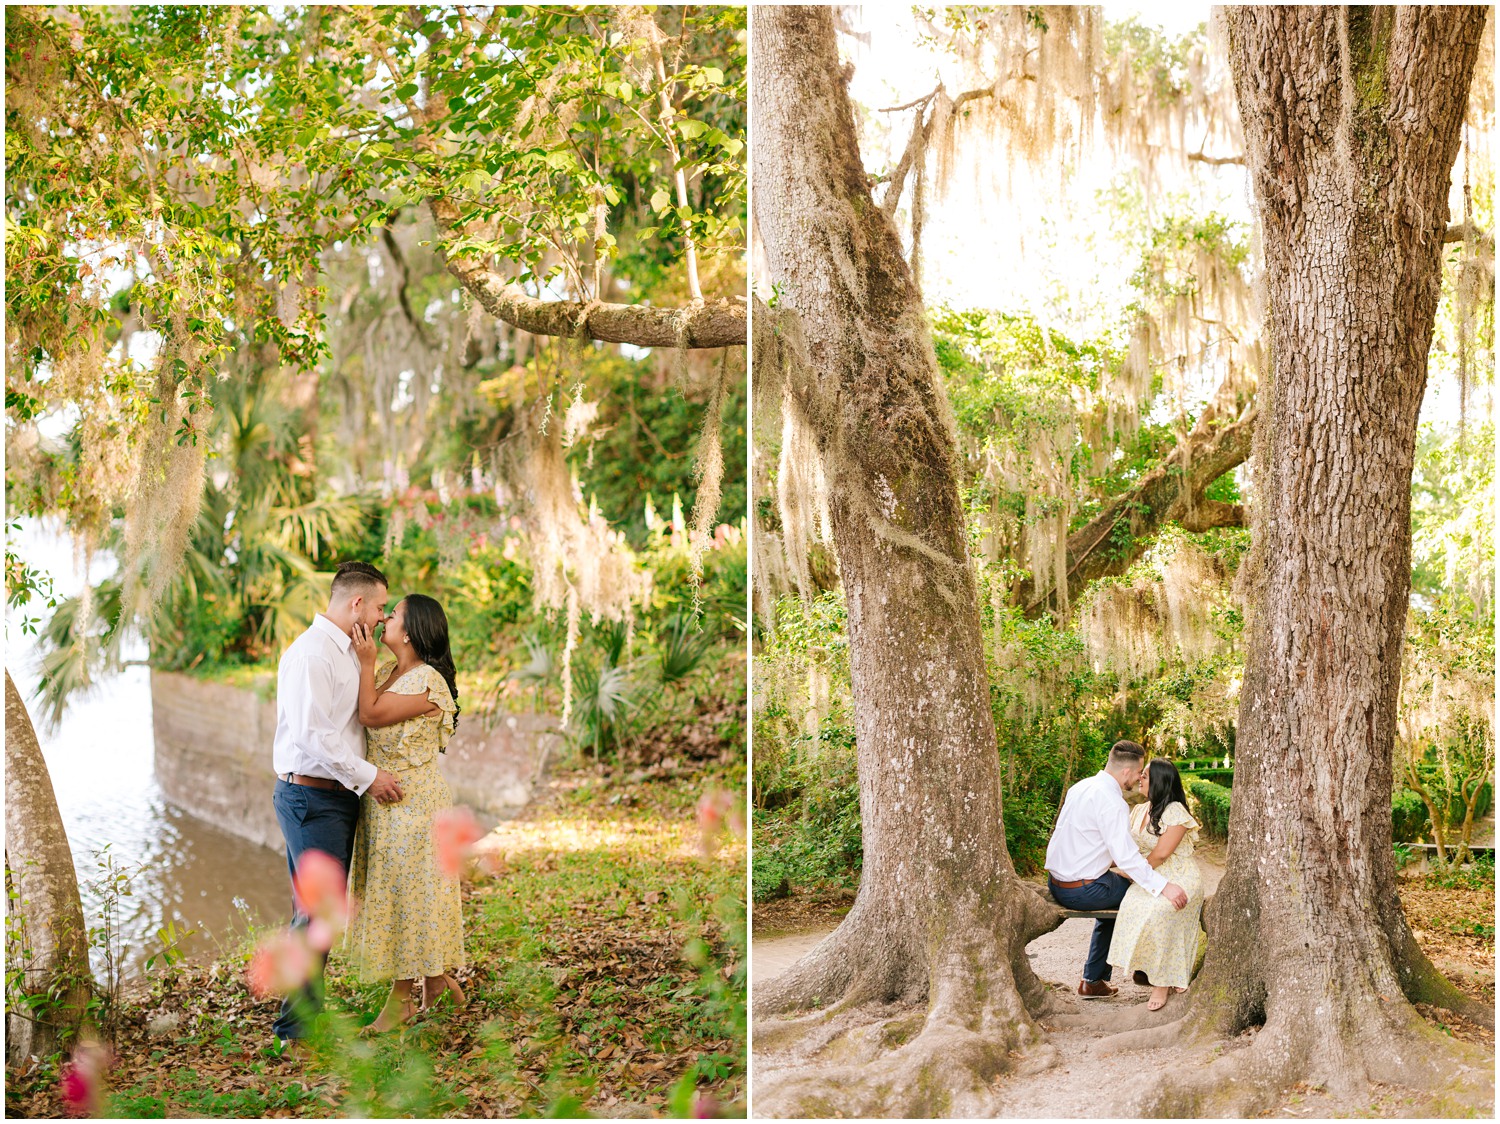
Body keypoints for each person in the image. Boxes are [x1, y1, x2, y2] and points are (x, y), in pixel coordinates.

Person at [270, 561, 406, 1046]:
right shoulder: (311, 655)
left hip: (334, 795)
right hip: (311, 795)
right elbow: (313, 735)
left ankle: (305, 1016)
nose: (382, 615)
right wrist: (370, 778)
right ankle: (295, 1030)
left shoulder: (351, 650)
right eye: (378, 606)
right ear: (356, 605)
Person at [345, 592, 467, 1032]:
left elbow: (370, 715)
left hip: (415, 806)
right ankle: (436, 985)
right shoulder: (391, 672)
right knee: (407, 895)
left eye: (391, 615)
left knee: (407, 896)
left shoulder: (426, 679)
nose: (383, 619)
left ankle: (401, 1002)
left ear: (411, 632)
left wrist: (363, 662)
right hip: (387, 803)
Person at [1044, 740, 1189, 999]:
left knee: (1125, 892)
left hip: (1056, 882)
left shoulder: (1082, 787)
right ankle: (1147, 971)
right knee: (1146, 896)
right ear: (1126, 772)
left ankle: (1093, 980)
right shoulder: (1112, 801)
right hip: (1083, 890)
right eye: (1138, 772)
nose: (1138, 778)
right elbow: (1128, 858)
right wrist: (1164, 886)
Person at [1107, 758, 1206, 1010]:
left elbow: (1162, 854)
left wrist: (1133, 874)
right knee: (1133, 906)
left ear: (1160, 781)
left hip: (1177, 874)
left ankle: (1162, 983)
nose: (1140, 778)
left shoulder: (1175, 811)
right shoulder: (1139, 810)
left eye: (1146, 775)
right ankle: (1147, 968)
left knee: (1162, 911)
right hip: (1149, 875)